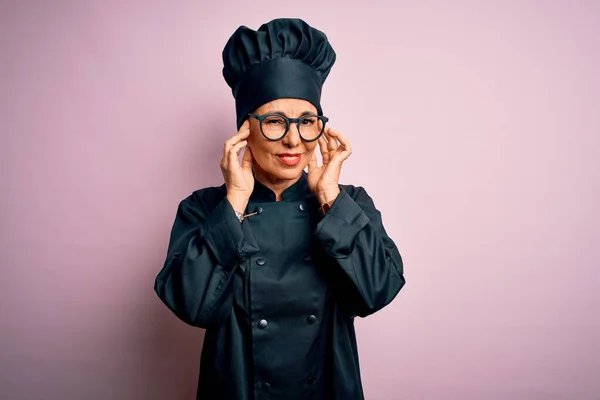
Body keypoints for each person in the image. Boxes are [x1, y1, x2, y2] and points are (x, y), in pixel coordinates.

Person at [154, 18, 405, 400]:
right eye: (274, 121)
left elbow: (379, 291)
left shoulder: (348, 203)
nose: (293, 139)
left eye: (307, 122)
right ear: (244, 130)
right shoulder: (204, 209)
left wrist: (330, 199)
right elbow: (191, 307)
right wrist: (235, 202)